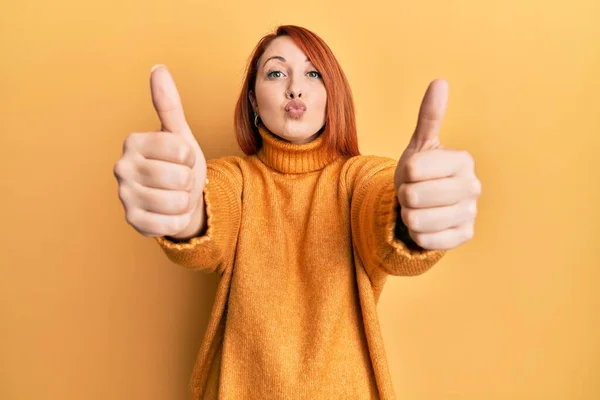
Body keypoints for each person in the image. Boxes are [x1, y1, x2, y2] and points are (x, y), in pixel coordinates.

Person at [113, 25, 481, 400]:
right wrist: (185, 210)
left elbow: (381, 207)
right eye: (276, 72)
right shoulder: (234, 180)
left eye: (313, 73)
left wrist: (411, 214)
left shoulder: (358, 179)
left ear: (331, 95)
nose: (295, 87)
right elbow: (210, 211)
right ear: (254, 102)